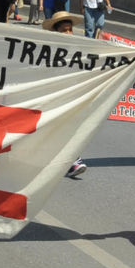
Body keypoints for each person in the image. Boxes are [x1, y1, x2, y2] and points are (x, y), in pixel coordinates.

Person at [42, 10, 89, 178]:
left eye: (70, 29)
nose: (68, 33)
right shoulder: (46, 51)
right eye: (64, 30)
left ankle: (72, 160)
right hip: (52, 97)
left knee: (68, 129)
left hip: (72, 96)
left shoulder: (78, 49)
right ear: (56, 32)